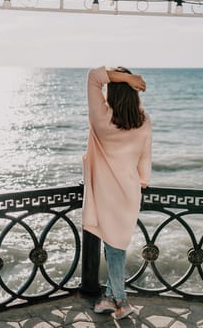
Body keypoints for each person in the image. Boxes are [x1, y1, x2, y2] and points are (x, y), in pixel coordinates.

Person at [82, 66, 152, 320]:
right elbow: (144, 162)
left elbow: (94, 76)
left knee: (113, 247)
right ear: (133, 93)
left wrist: (126, 78)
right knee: (115, 245)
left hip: (105, 192)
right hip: (130, 191)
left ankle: (121, 301)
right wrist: (142, 180)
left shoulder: (101, 118)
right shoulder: (143, 121)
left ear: (112, 92)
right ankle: (110, 298)